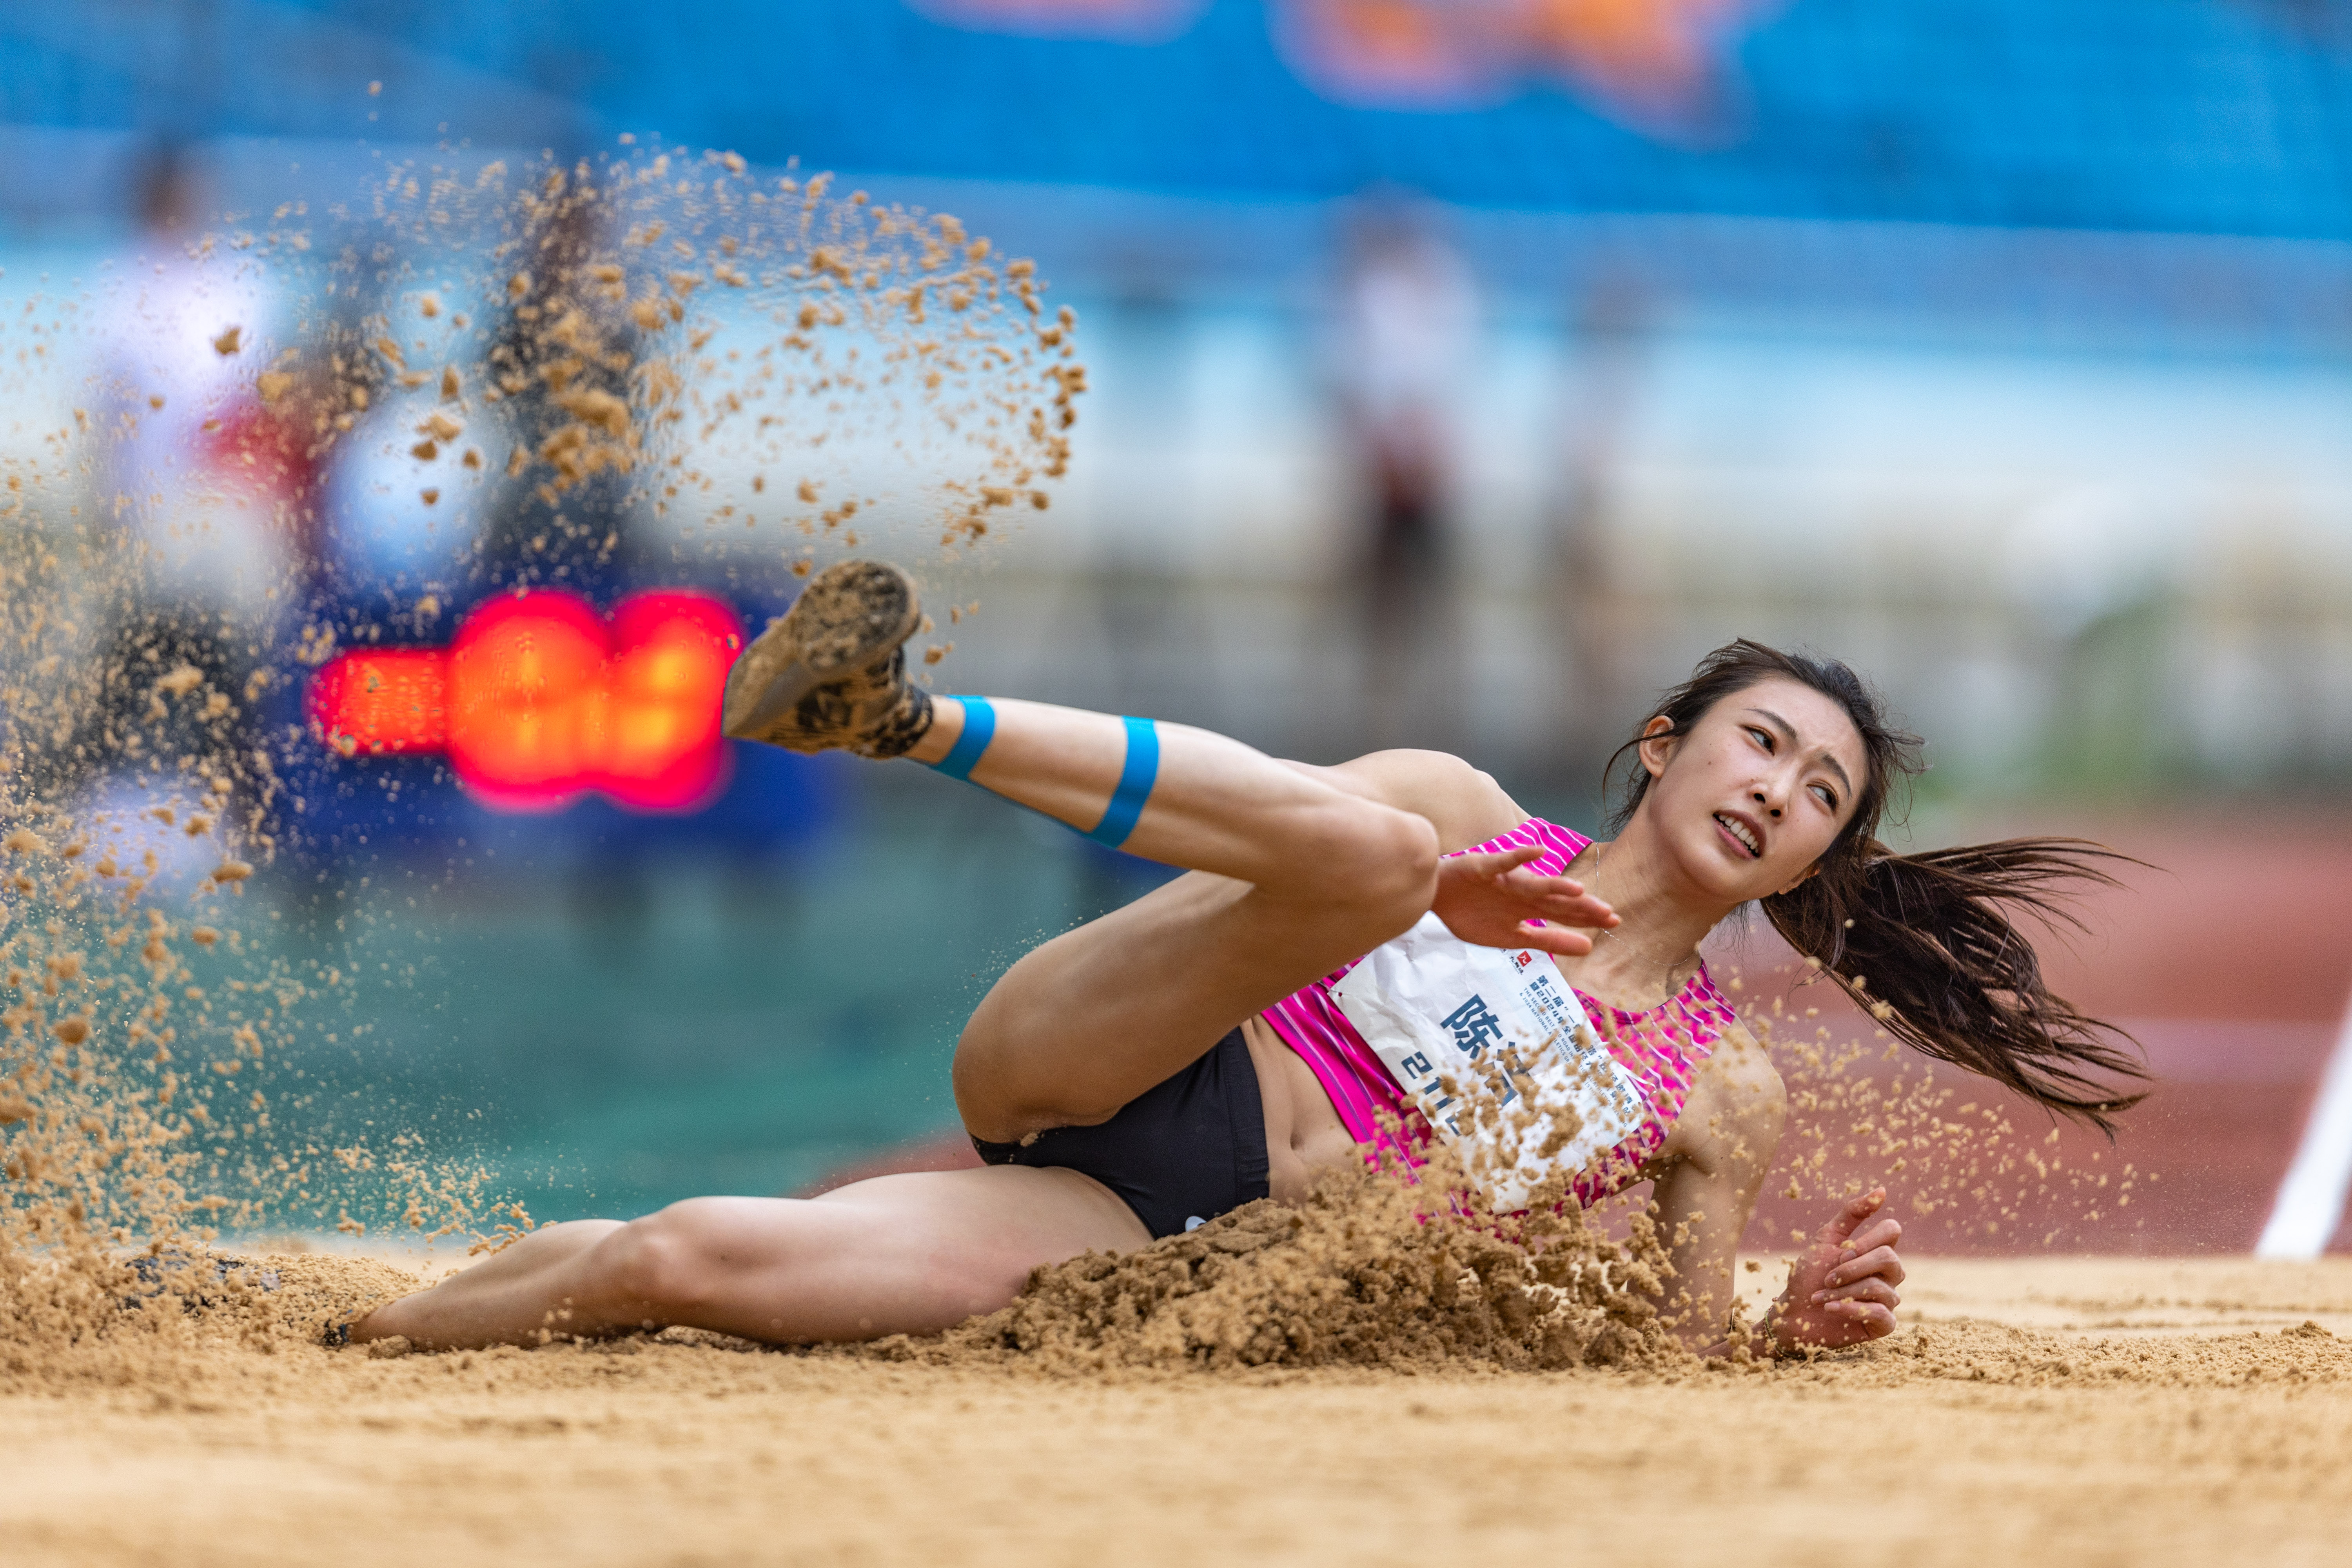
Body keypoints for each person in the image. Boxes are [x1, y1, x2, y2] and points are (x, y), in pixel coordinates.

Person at [352, 561, 2142, 1356]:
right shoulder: (1466, 805)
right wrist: (1438, 895)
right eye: (1761, 742)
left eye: (1823, 790)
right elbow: (1248, 837)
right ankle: (898, 716)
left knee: (686, 1258)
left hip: (1169, 1234)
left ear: (1826, 853)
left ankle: (376, 1336)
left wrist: (1786, 1341)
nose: (1782, 789)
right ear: (1667, 739)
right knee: (1375, 845)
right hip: (1138, 1043)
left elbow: (1674, 1361)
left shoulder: (1716, 1091)